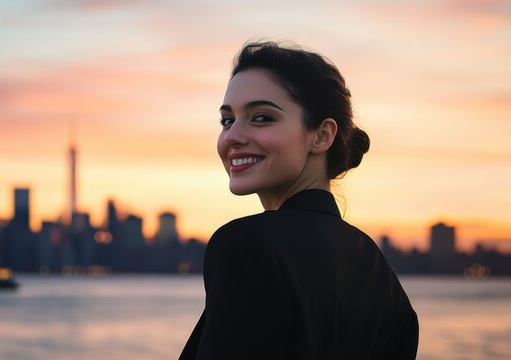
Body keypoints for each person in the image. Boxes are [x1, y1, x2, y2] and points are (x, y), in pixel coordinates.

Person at [179, 42, 418, 359]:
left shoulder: (246, 244)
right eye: (227, 120)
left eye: (261, 117)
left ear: (321, 136)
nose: (232, 136)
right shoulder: (378, 272)